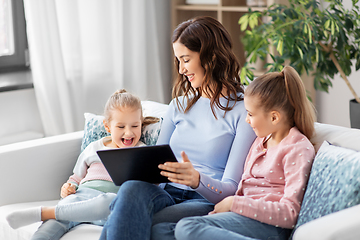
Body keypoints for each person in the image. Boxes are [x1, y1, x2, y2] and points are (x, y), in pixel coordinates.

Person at [99, 16, 256, 240]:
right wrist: (136, 170)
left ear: (211, 57)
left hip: (203, 200)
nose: (181, 70)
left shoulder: (244, 111)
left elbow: (230, 189)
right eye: (178, 61)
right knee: (131, 190)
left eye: (186, 59)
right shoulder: (179, 105)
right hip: (165, 192)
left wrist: (197, 179)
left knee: (130, 217)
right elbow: (157, 165)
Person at [173, 66, 317, 240]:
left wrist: (234, 203)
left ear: (274, 117)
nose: (246, 120)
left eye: (250, 114)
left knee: (187, 227)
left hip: (269, 225)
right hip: (242, 217)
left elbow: (290, 212)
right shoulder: (259, 142)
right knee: (163, 230)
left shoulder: (297, 148)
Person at [6, 89, 159, 240]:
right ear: (107, 126)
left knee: (112, 202)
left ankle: (45, 212)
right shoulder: (93, 148)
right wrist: (68, 187)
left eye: (135, 126)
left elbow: (148, 187)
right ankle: (43, 219)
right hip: (81, 197)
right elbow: (76, 178)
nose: (129, 133)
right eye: (121, 127)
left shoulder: (142, 151)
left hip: (110, 204)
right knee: (53, 223)